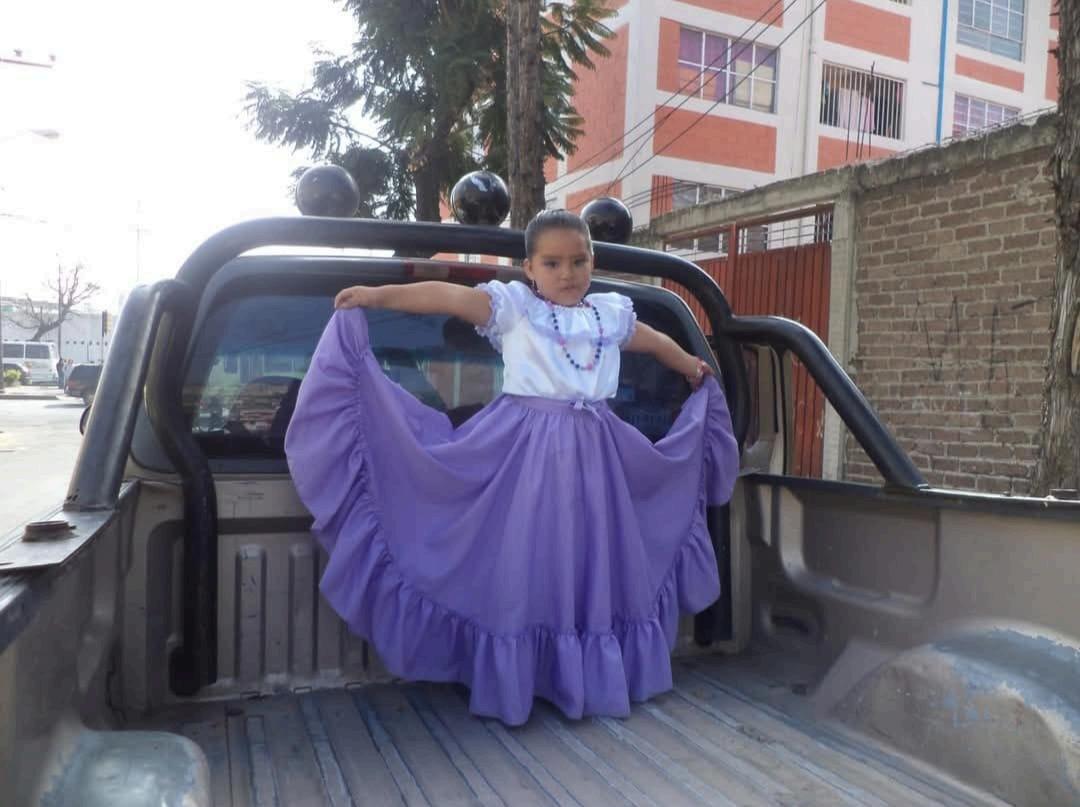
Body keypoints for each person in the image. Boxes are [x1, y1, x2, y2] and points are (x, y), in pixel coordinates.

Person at [285, 209, 739, 725]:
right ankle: (523, 676)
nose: (567, 273)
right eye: (552, 263)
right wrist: (377, 296)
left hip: (600, 459)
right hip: (526, 457)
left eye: (578, 261)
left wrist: (691, 367)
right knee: (528, 560)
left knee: (590, 561)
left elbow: (654, 342)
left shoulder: (609, 315)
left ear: (593, 261)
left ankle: (584, 675)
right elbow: (448, 297)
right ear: (529, 268)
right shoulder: (517, 309)